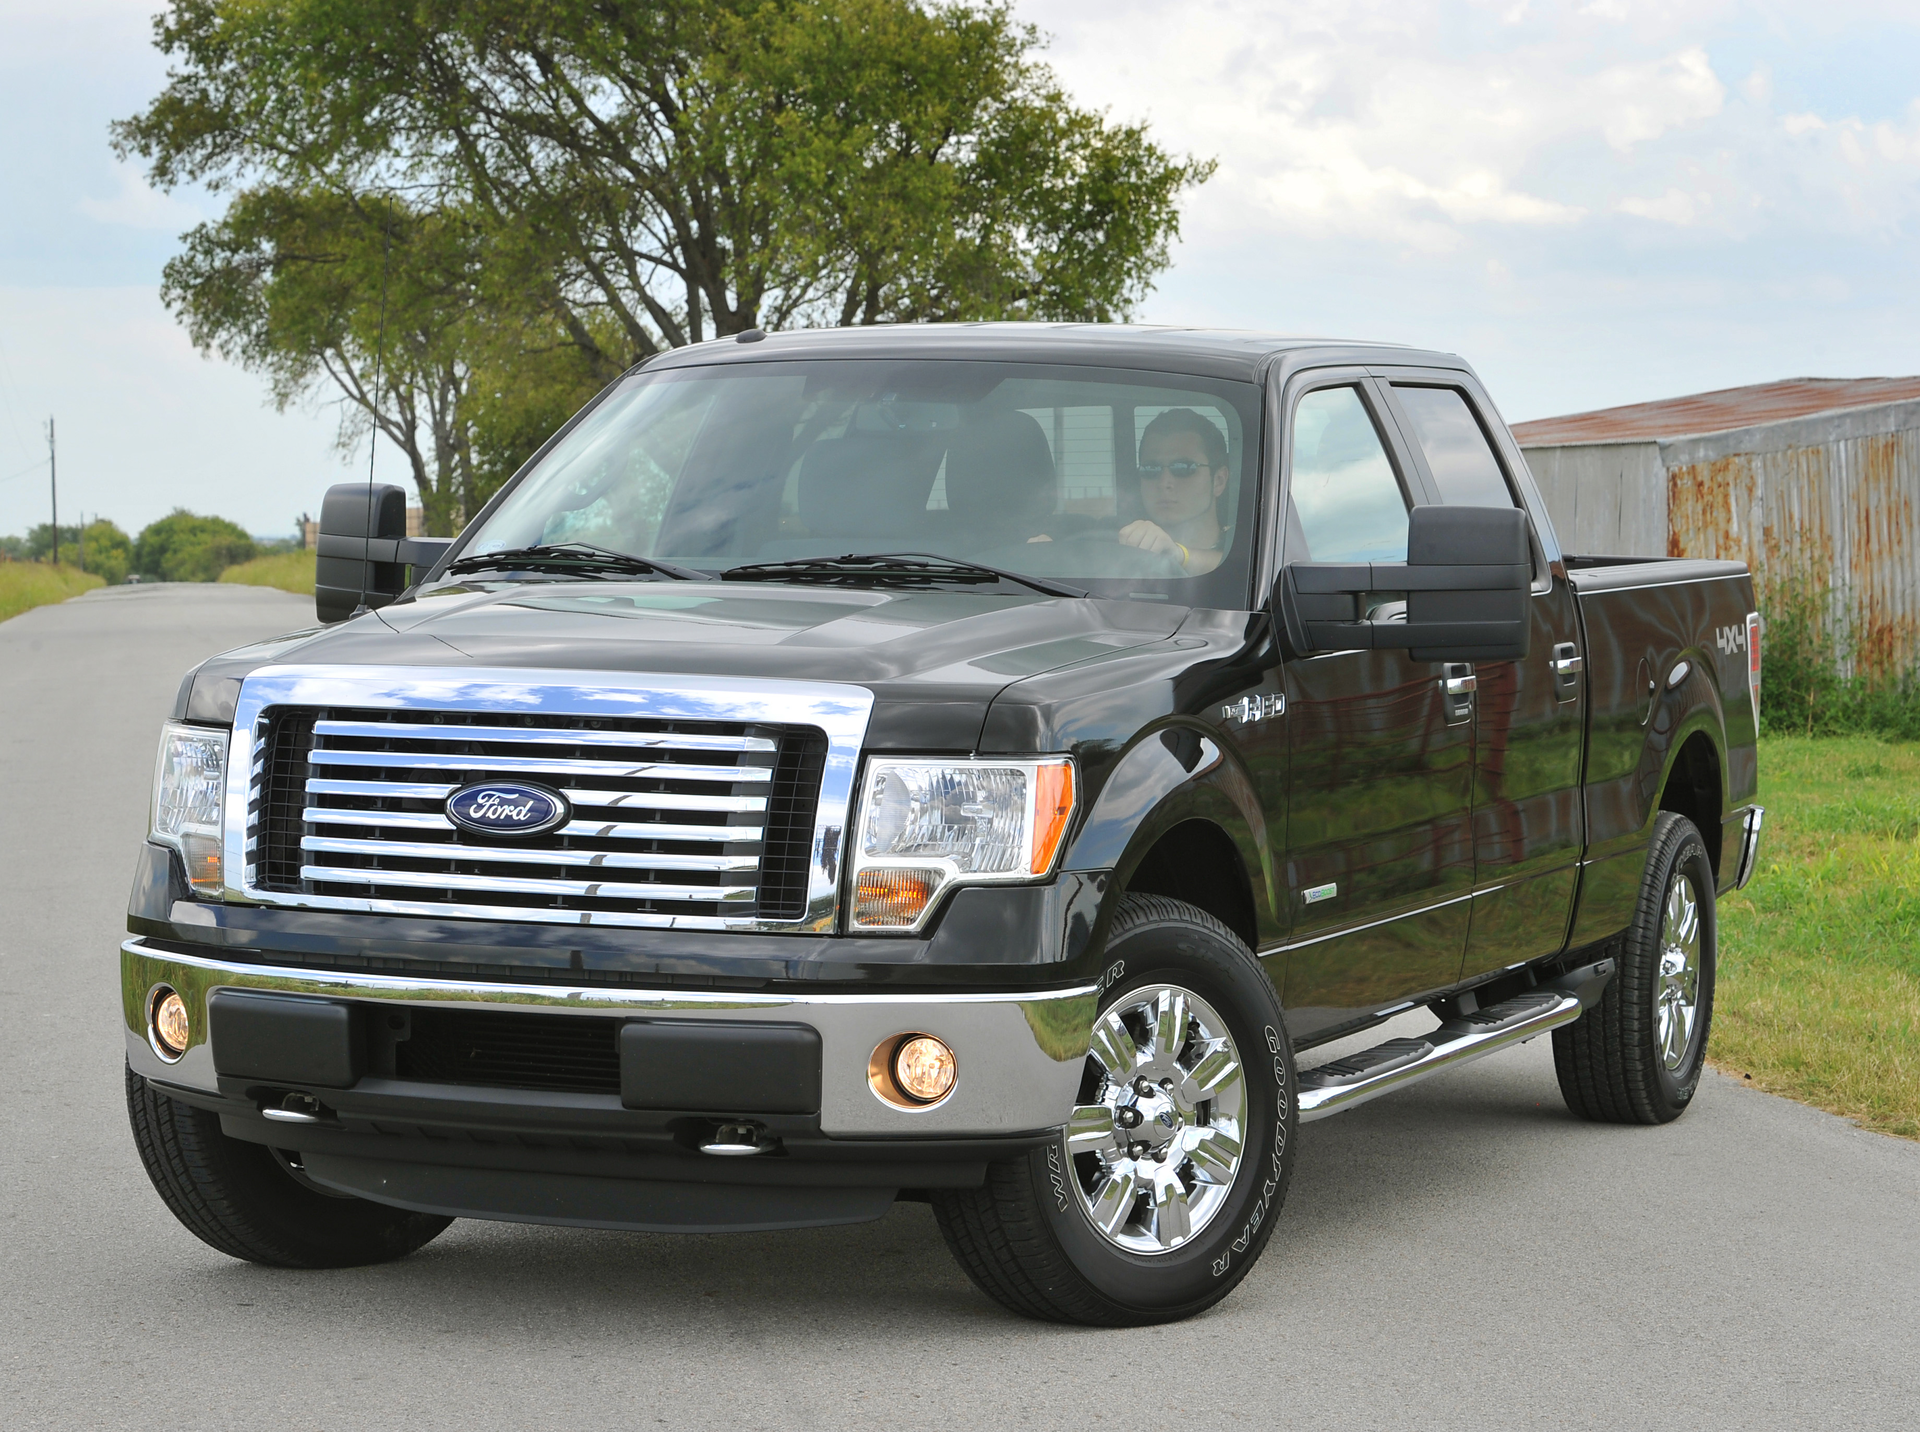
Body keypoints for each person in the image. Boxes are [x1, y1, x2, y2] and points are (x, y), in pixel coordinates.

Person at [1119, 408, 1230, 574]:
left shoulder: (1254, 544)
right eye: (1151, 469)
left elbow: (1242, 570)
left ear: (1219, 481)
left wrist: (1178, 555)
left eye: (1183, 468)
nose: (1164, 482)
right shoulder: (1118, 542)